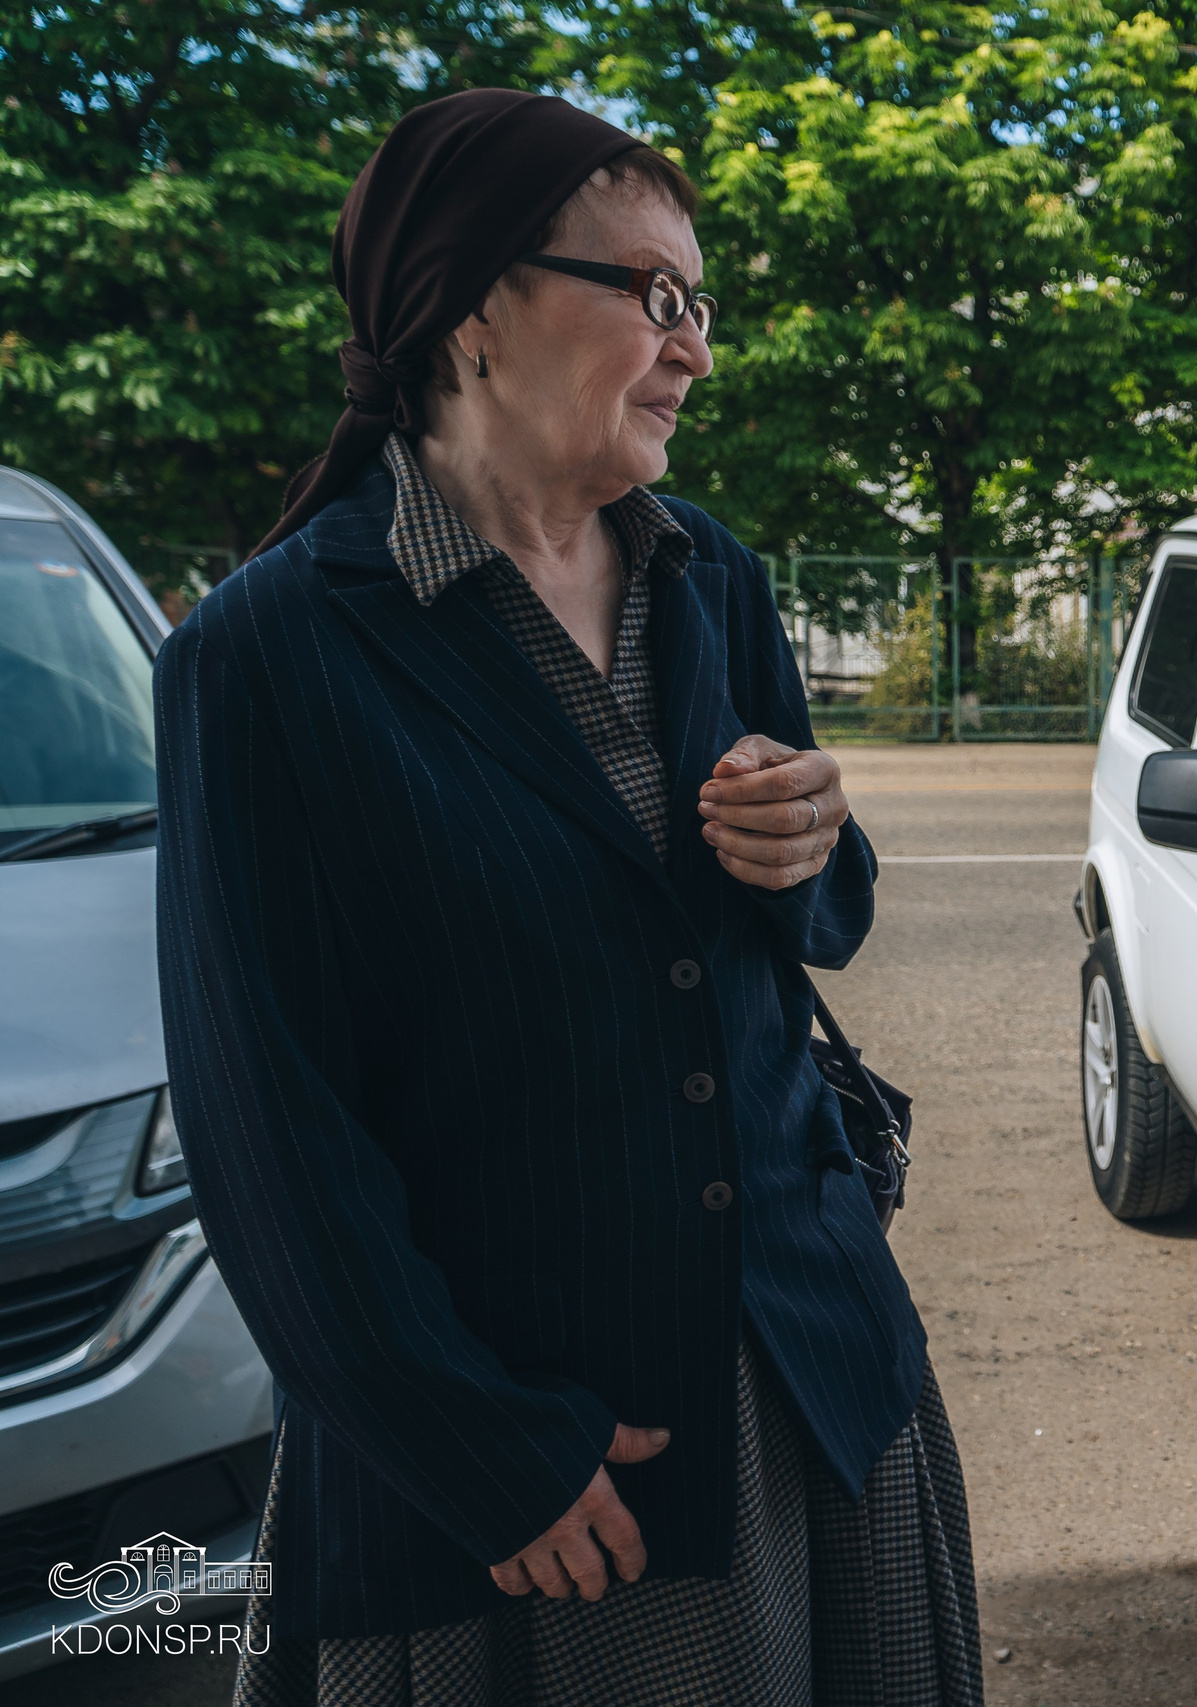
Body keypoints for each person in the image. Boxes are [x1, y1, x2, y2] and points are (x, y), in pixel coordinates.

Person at [155, 89, 981, 1706]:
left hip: (818, 1376)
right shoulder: (267, 658)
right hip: (546, 1470)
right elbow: (268, 1132)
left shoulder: (708, 575)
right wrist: (480, 1450)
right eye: (653, 296)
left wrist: (816, 848)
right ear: (471, 307)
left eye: (703, 305)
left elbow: (822, 921)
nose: (697, 349)